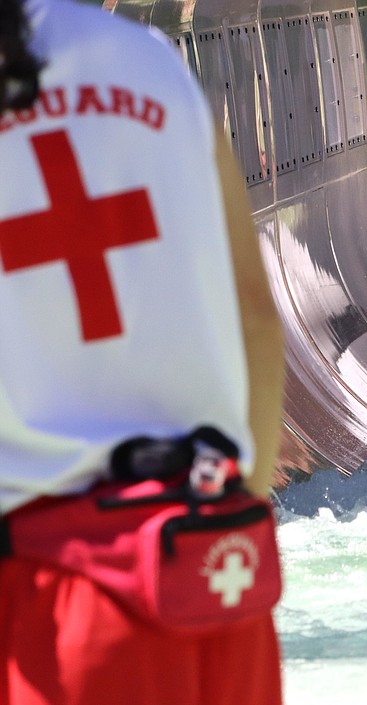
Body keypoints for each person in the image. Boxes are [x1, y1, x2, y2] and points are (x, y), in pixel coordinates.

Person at [0, 0, 286, 702]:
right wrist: (231, 521)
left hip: (48, 598)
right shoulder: (151, 58)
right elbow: (254, 310)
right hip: (212, 576)